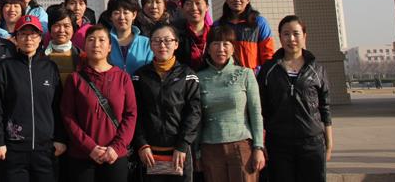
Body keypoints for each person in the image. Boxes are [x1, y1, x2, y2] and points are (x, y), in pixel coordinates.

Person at [0, 15, 67, 182]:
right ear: (16, 38)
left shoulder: (50, 67)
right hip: (13, 149)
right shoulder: (6, 67)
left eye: (33, 34)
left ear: (40, 38)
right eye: (23, 34)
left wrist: (60, 139)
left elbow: (58, 106)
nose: (28, 39)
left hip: (45, 149)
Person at [257, 16, 333, 182]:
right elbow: (260, 109)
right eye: (286, 34)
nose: (291, 39)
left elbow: (325, 107)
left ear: (304, 36)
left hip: (311, 143)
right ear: (280, 37)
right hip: (278, 143)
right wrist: (261, 142)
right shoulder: (269, 70)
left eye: (296, 33)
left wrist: (329, 143)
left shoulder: (317, 69)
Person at [60, 24, 137, 182]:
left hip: (115, 156)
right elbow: (68, 116)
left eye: (102, 40)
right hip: (82, 155)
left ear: (109, 47)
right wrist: (90, 147)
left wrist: (116, 147)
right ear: (84, 46)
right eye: (91, 40)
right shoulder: (75, 79)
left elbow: (131, 115)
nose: (96, 44)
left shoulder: (122, 78)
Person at [133, 24, 201, 182]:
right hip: (149, 152)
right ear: (150, 45)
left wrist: (182, 144)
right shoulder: (140, 76)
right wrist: (141, 144)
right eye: (156, 41)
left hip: (179, 151)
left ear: (176, 44)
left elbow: (194, 113)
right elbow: (135, 113)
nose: (162, 45)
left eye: (167, 40)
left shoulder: (188, 75)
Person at [197, 27, 265, 182]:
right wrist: (197, 151)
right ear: (208, 49)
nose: (221, 49)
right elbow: (197, 118)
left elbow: (256, 113)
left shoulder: (246, 74)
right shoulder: (198, 78)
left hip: (241, 146)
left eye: (226, 44)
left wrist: (258, 147)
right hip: (210, 148)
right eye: (216, 44)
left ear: (233, 48)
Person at [213, 0, 274, 71]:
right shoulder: (218, 25)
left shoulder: (259, 23)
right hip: (226, 77)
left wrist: (262, 74)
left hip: (253, 77)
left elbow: (268, 55)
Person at [106, 0, 153, 76]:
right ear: (111, 16)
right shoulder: (105, 42)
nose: (121, 17)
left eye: (126, 12)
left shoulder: (146, 43)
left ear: (134, 15)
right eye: (116, 13)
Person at [173, 0, 211, 71]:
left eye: (198, 3)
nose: (194, 8)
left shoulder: (215, 34)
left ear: (207, 7)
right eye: (188, 4)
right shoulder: (175, 35)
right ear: (182, 8)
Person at [45, 6, 83, 84]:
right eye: (57, 25)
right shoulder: (41, 57)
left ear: (73, 29)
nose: (61, 30)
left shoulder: (82, 57)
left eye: (66, 26)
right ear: (50, 28)